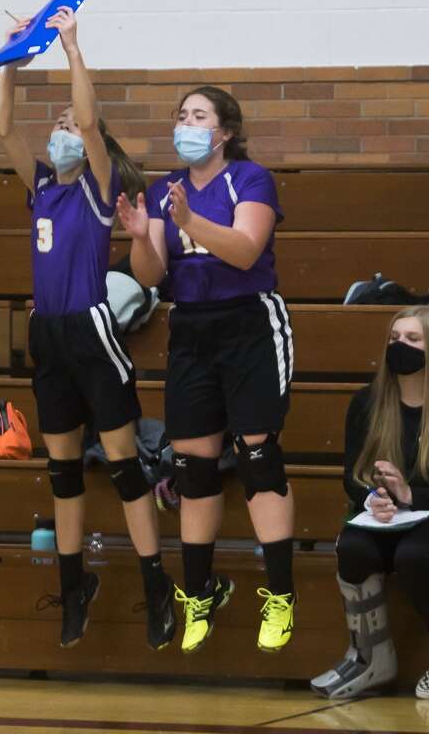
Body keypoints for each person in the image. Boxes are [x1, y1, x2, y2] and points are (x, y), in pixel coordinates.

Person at [0, 7, 175, 649]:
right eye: (60, 125)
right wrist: (12, 61)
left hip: (93, 334)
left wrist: (72, 49)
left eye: (70, 124)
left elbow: (92, 120)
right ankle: (75, 589)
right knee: (63, 469)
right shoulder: (41, 185)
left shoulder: (99, 188)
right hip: (49, 338)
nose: (64, 130)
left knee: (123, 464)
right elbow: (3, 125)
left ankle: (156, 586)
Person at [116, 85, 296, 654]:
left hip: (249, 323)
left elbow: (245, 250)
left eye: (198, 116)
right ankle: (199, 593)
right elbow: (149, 276)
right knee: (194, 466)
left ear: (223, 132)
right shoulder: (165, 189)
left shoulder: (249, 179)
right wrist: (143, 236)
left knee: (257, 454)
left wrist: (190, 220)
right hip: (191, 328)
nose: (186, 124)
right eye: (181, 116)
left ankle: (281, 597)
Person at [310, 307, 429, 700]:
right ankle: (370, 656)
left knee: (416, 554)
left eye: (413, 339)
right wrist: (371, 497)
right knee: (353, 546)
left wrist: (414, 495)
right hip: (389, 517)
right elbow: (351, 474)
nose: (401, 347)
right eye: (395, 339)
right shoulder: (367, 403)